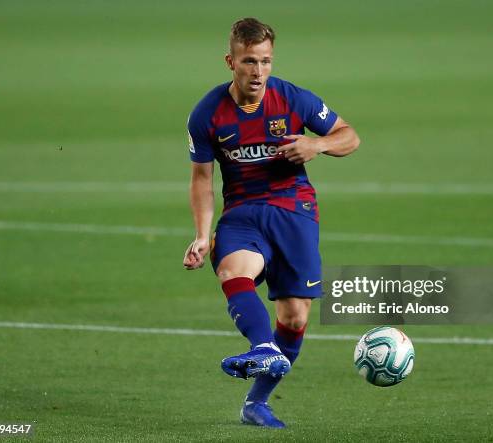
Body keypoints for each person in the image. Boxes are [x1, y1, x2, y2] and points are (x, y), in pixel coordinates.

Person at [183, 17, 360, 428]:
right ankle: (262, 346)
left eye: (265, 61)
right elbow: (201, 180)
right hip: (242, 212)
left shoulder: (293, 99)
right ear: (230, 61)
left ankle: (255, 404)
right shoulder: (207, 114)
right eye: (249, 61)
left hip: (293, 210)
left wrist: (317, 144)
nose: (258, 71)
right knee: (232, 269)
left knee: (295, 317)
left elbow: (350, 136)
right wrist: (201, 234)